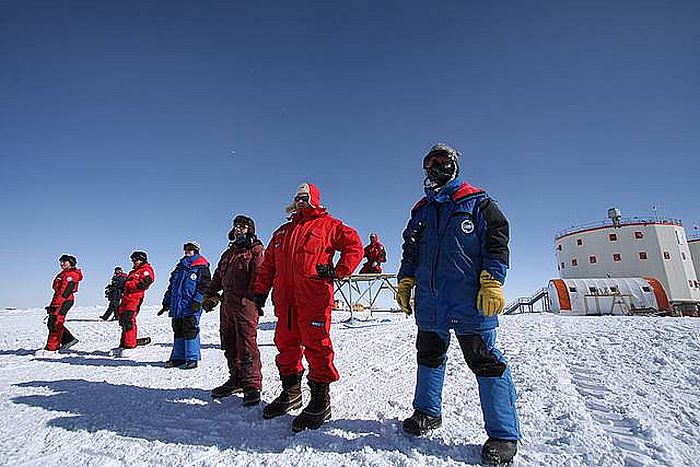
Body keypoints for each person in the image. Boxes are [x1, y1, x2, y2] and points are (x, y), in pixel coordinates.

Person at [396, 143, 520, 465]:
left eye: (443, 161)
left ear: (454, 166)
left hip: (470, 301)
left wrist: (493, 279)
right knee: (429, 355)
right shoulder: (421, 210)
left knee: (485, 360)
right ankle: (427, 412)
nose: (437, 168)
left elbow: (497, 241)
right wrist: (405, 280)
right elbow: (410, 251)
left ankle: (503, 435)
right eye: (430, 163)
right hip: (431, 302)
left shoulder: (478, 203)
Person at [253, 182, 363, 432]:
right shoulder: (282, 233)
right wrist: (261, 290)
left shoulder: (329, 225)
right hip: (286, 301)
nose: (301, 202)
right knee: (285, 345)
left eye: (305, 197)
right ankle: (291, 393)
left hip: (314, 298)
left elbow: (354, 246)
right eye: (297, 198)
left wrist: (340, 270)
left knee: (317, 346)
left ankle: (320, 401)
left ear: (314, 199)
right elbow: (268, 265)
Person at [203, 215, 264, 405]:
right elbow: (218, 276)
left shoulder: (256, 250)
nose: (238, 229)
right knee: (229, 341)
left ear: (250, 229)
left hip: (246, 303)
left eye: (243, 227)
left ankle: (252, 385)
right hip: (227, 303)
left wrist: (255, 300)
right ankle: (236, 378)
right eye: (236, 226)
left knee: (247, 344)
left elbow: (260, 276)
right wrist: (211, 294)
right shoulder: (228, 254)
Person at [159, 241, 211, 370]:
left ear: (196, 251)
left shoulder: (201, 266)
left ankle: (192, 358)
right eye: (186, 249)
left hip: (190, 304)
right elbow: (172, 286)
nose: (187, 251)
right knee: (178, 329)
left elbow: (205, 286)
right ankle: (178, 357)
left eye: (190, 249)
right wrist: (167, 302)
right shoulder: (180, 267)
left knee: (190, 329)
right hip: (177, 305)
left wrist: (197, 300)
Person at [113, 250, 155, 356]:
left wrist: (127, 284)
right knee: (123, 320)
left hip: (135, 299)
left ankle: (130, 345)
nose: (134, 262)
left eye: (136, 260)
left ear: (142, 260)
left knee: (129, 320)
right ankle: (124, 343)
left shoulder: (146, 270)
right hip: (126, 298)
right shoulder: (133, 272)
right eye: (133, 260)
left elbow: (145, 283)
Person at [42, 254, 83, 353]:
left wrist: (56, 305)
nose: (62, 263)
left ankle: (52, 348)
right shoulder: (63, 273)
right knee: (51, 322)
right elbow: (57, 289)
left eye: (64, 262)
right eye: (61, 262)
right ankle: (68, 340)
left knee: (56, 322)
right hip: (58, 299)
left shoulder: (72, 274)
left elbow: (65, 292)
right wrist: (53, 305)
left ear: (71, 263)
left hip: (65, 300)